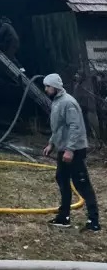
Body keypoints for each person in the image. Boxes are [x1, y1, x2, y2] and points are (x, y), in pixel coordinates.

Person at [42, 73, 101, 231]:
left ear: (55, 87)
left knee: (82, 185)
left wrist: (70, 150)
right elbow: (59, 127)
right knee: (62, 179)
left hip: (74, 150)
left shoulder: (68, 103)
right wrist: (51, 144)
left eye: (48, 86)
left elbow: (76, 128)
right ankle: (64, 217)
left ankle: (93, 222)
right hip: (64, 148)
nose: (46, 89)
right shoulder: (57, 102)